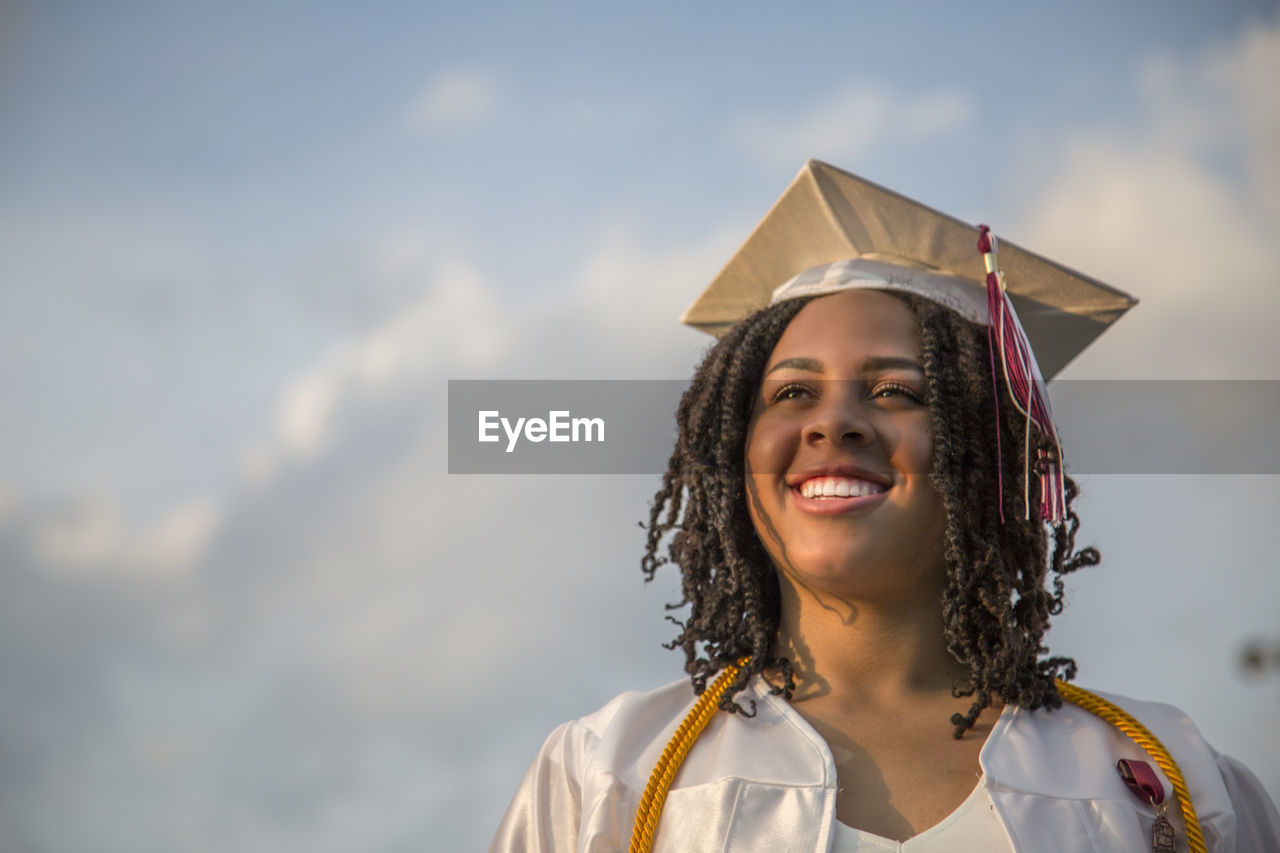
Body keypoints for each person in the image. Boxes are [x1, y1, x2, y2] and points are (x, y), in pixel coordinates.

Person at [490, 160, 1280, 852]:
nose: (832, 421)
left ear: (989, 448)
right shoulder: (608, 775)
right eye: (791, 391)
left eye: (896, 390)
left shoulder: (1166, 781)